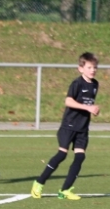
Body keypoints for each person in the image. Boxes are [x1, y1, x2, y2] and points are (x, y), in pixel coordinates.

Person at [31, 52, 100, 200]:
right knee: (62, 154)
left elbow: (87, 103)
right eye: (89, 67)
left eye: (95, 67)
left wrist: (93, 109)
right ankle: (39, 182)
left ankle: (65, 190)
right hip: (69, 125)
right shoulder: (77, 83)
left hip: (82, 127)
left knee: (80, 157)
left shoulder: (95, 84)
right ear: (80, 68)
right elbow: (68, 101)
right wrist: (87, 107)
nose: (93, 70)